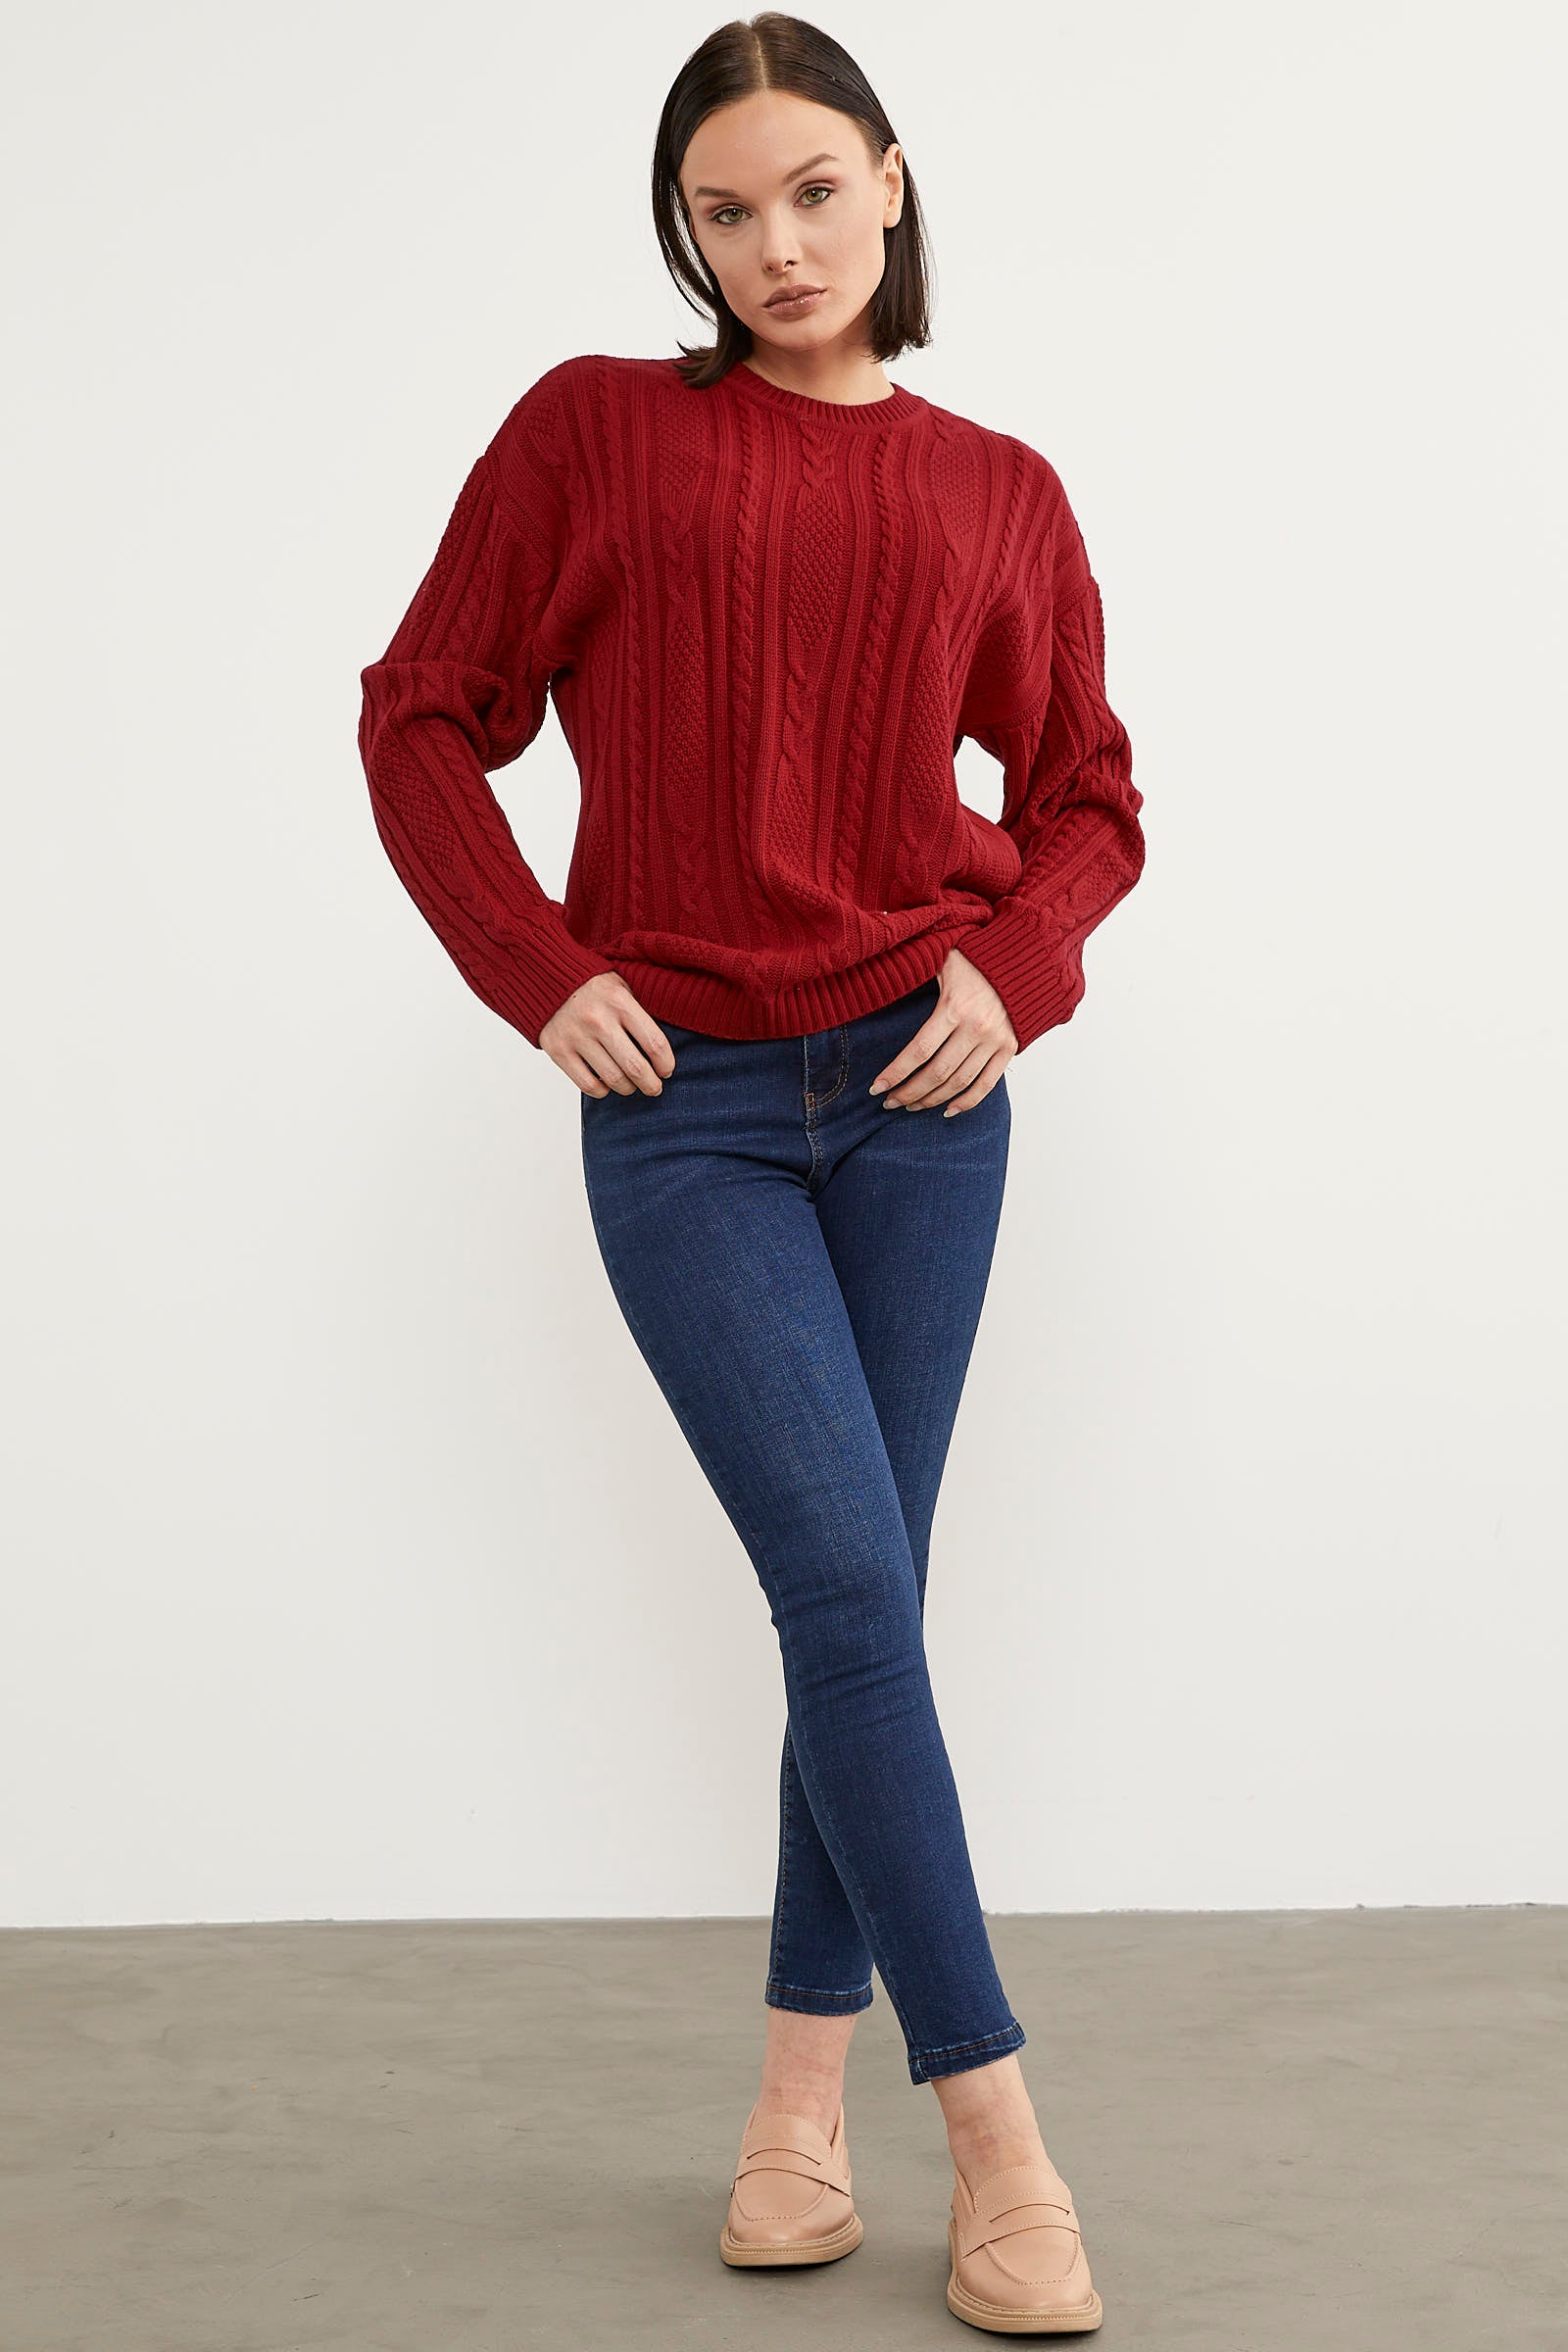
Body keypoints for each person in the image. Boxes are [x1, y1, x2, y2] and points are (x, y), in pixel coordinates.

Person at [357, 13, 1143, 2333]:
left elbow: (1087, 795)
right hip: (683, 1104)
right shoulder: (594, 431)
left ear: (888, 182)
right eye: (722, 211)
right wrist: (535, 967)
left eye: (810, 190)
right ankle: (996, 2136)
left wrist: (1017, 962)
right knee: (845, 1589)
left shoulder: (996, 488)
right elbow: (419, 713)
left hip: (919, 1097)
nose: (773, 244)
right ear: (681, 233)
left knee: (856, 1603)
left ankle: (796, 2116)